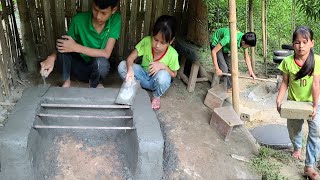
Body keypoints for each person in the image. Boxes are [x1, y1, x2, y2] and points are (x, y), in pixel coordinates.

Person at [40, 0, 121, 88]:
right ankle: (66, 82)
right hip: (76, 68)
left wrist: (76, 47)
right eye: (95, 10)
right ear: (92, 5)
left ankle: (95, 83)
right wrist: (51, 58)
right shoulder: (78, 20)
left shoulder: (115, 19)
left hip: (96, 69)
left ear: (113, 10)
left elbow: (106, 53)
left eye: (103, 13)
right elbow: (64, 44)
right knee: (64, 42)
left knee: (102, 63)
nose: (98, 16)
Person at [276, 26, 320, 180]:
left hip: (313, 103)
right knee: (294, 129)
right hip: (294, 103)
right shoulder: (287, 62)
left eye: (304, 42)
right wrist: (279, 99)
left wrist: (315, 106)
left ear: (312, 43)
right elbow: (285, 82)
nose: (301, 46)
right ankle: (297, 147)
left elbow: (316, 85)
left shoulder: (317, 60)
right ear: (293, 44)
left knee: (315, 132)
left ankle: (309, 166)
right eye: (297, 42)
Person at [118, 15, 179, 110]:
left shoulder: (173, 54)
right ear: (152, 34)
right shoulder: (146, 41)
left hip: (156, 81)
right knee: (122, 66)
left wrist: (163, 66)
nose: (157, 45)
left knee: (163, 76)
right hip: (142, 76)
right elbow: (130, 58)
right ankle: (136, 88)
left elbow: (174, 74)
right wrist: (130, 70)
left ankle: (156, 96)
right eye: (155, 39)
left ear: (171, 41)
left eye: (162, 43)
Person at [210, 27, 257, 92]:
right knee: (224, 69)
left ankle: (229, 87)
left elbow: (246, 57)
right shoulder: (228, 38)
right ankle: (222, 88)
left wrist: (251, 71)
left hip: (225, 47)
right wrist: (217, 68)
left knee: (231, 68)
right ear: (243, 42)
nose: (248, 47)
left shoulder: (244, 38)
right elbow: (214, 51)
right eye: (248, 46)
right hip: (216, 42)